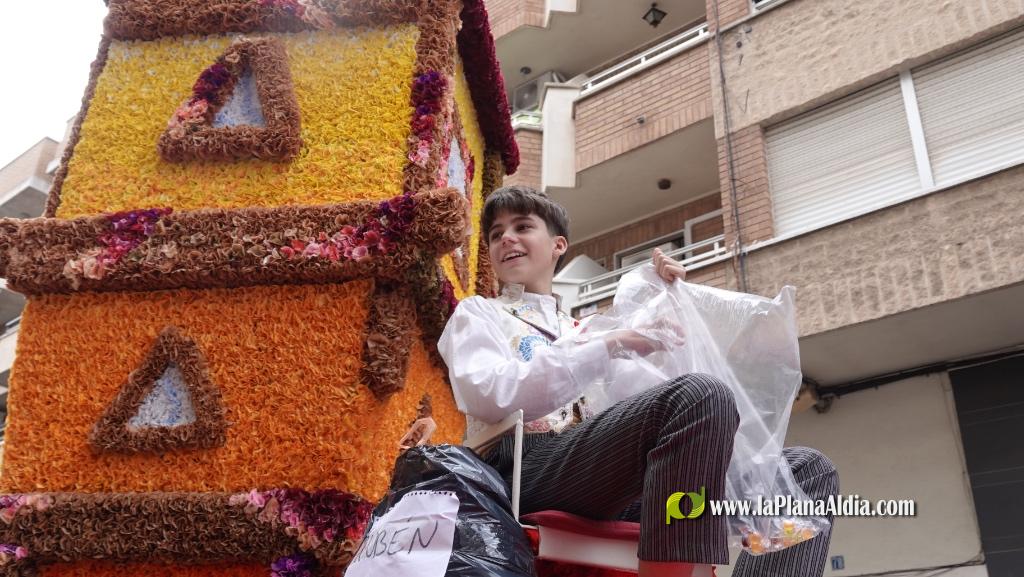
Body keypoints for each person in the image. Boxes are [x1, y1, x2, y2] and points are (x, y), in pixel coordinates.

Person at [411, 185, 839, 576]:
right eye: (496, 234)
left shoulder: (588, 327)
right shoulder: (479, 314)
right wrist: (609, 345)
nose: (507, 238)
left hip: (602, 476)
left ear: (558, 245)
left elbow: (666, 404)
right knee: (699, 396)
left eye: (523, 227)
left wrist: (663, 307)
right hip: (524, 471)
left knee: (807, 472)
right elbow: (489, 395)